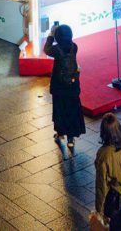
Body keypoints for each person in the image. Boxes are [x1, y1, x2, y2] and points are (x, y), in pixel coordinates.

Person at [44, 23, 85, 156]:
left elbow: (47, 50)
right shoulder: (74, 47)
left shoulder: (56, 50)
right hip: (72, 86)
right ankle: (71, 139)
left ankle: (60, 133)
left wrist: (50, 36)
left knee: (60, 109)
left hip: (59, 86)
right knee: (72, 110)